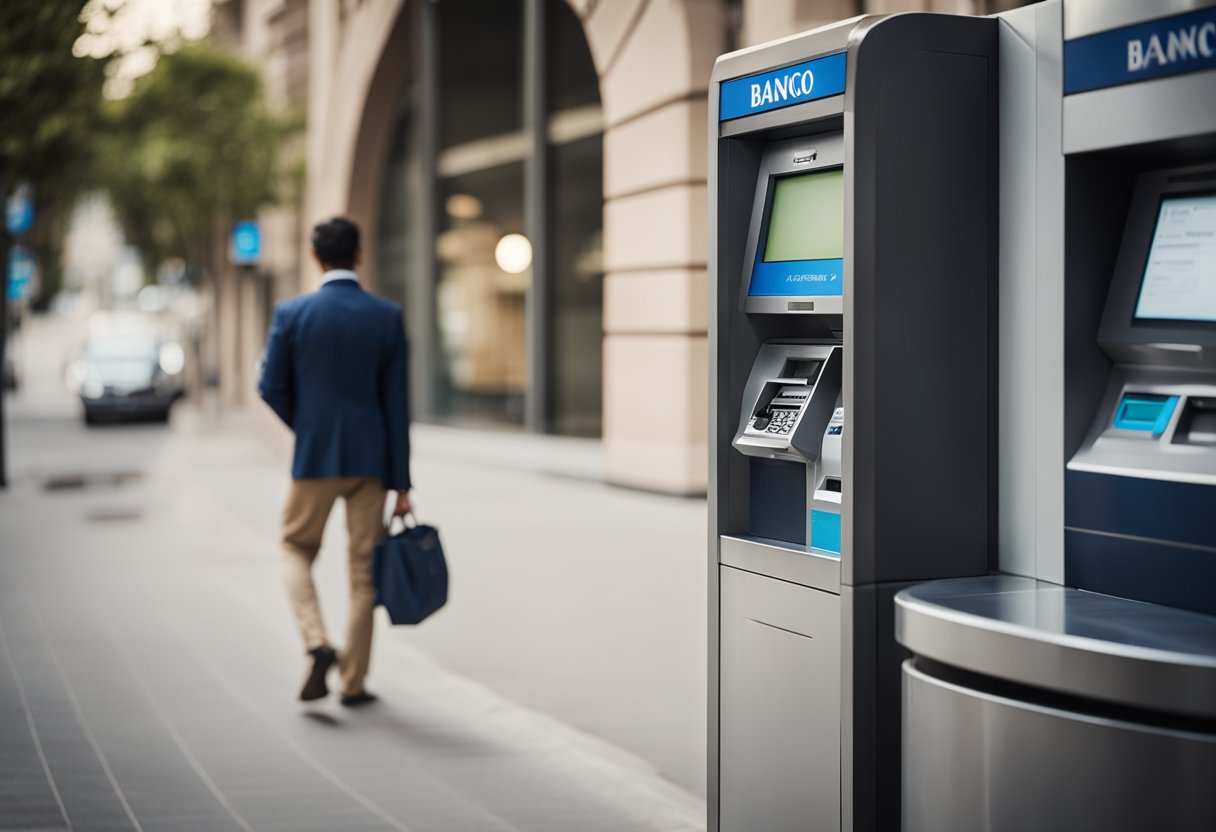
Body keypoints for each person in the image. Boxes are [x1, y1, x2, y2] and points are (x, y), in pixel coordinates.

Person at [258, 217, 412, 706]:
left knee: (293, 546)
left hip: (315, 458)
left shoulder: (292, 313)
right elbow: (397, 407)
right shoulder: (386, 316)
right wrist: (402, 483)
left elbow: (270, 386)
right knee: (364, 574)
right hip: (371, 464)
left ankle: (316, 641)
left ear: (314, 257)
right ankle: (353, 683)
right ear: (359, 255)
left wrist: (307, 427)